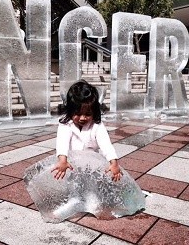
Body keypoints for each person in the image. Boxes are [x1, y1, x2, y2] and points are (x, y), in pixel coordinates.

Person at [24, 80, 145, 223]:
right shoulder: (65, 124)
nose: (82, 118)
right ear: (70, 110)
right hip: (72, 165)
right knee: (72, 189)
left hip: (90, 166)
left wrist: (114, 162)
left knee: (91, 188)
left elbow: (106, 144)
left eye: (88, 114)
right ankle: (66, 206)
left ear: (94, 112)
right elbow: (62, 142)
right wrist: (62, 160)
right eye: (77, 113)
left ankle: (95, 205)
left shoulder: (97, 126)